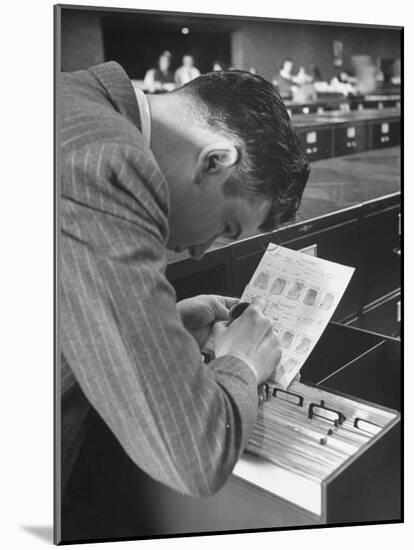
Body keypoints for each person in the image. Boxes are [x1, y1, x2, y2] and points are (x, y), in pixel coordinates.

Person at [59, 61, 309, 539]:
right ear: (215, 160)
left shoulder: (74, 101)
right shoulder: (110, 161)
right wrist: (240, 363)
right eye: (225, 227)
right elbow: (193, 454)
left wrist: (156, 324)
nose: (199, 249)